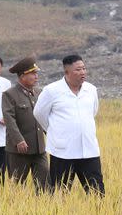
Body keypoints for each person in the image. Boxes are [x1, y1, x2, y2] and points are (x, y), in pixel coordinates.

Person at [34, 55, 104, 196]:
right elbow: (39, 114)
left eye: (84, 68)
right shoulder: (52, 90)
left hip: (89, 150)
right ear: (66, 72)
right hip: (63, 152)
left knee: (97, 192)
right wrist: (54, 131)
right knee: (60, 193)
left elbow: (93, 112)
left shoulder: (91, 90)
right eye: (78, 69)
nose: (83, 72)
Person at [2, 56, 49, 192]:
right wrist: (19, 140)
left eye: (36, 73)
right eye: (33, 73)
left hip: (39, 148)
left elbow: (45, 117)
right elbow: (9, 119)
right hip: (19, 150)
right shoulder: (9, 94)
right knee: (16, 187)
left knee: (45, 185)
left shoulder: (39, 93)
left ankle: (44, 209)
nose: (36, 76)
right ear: (22, 76)